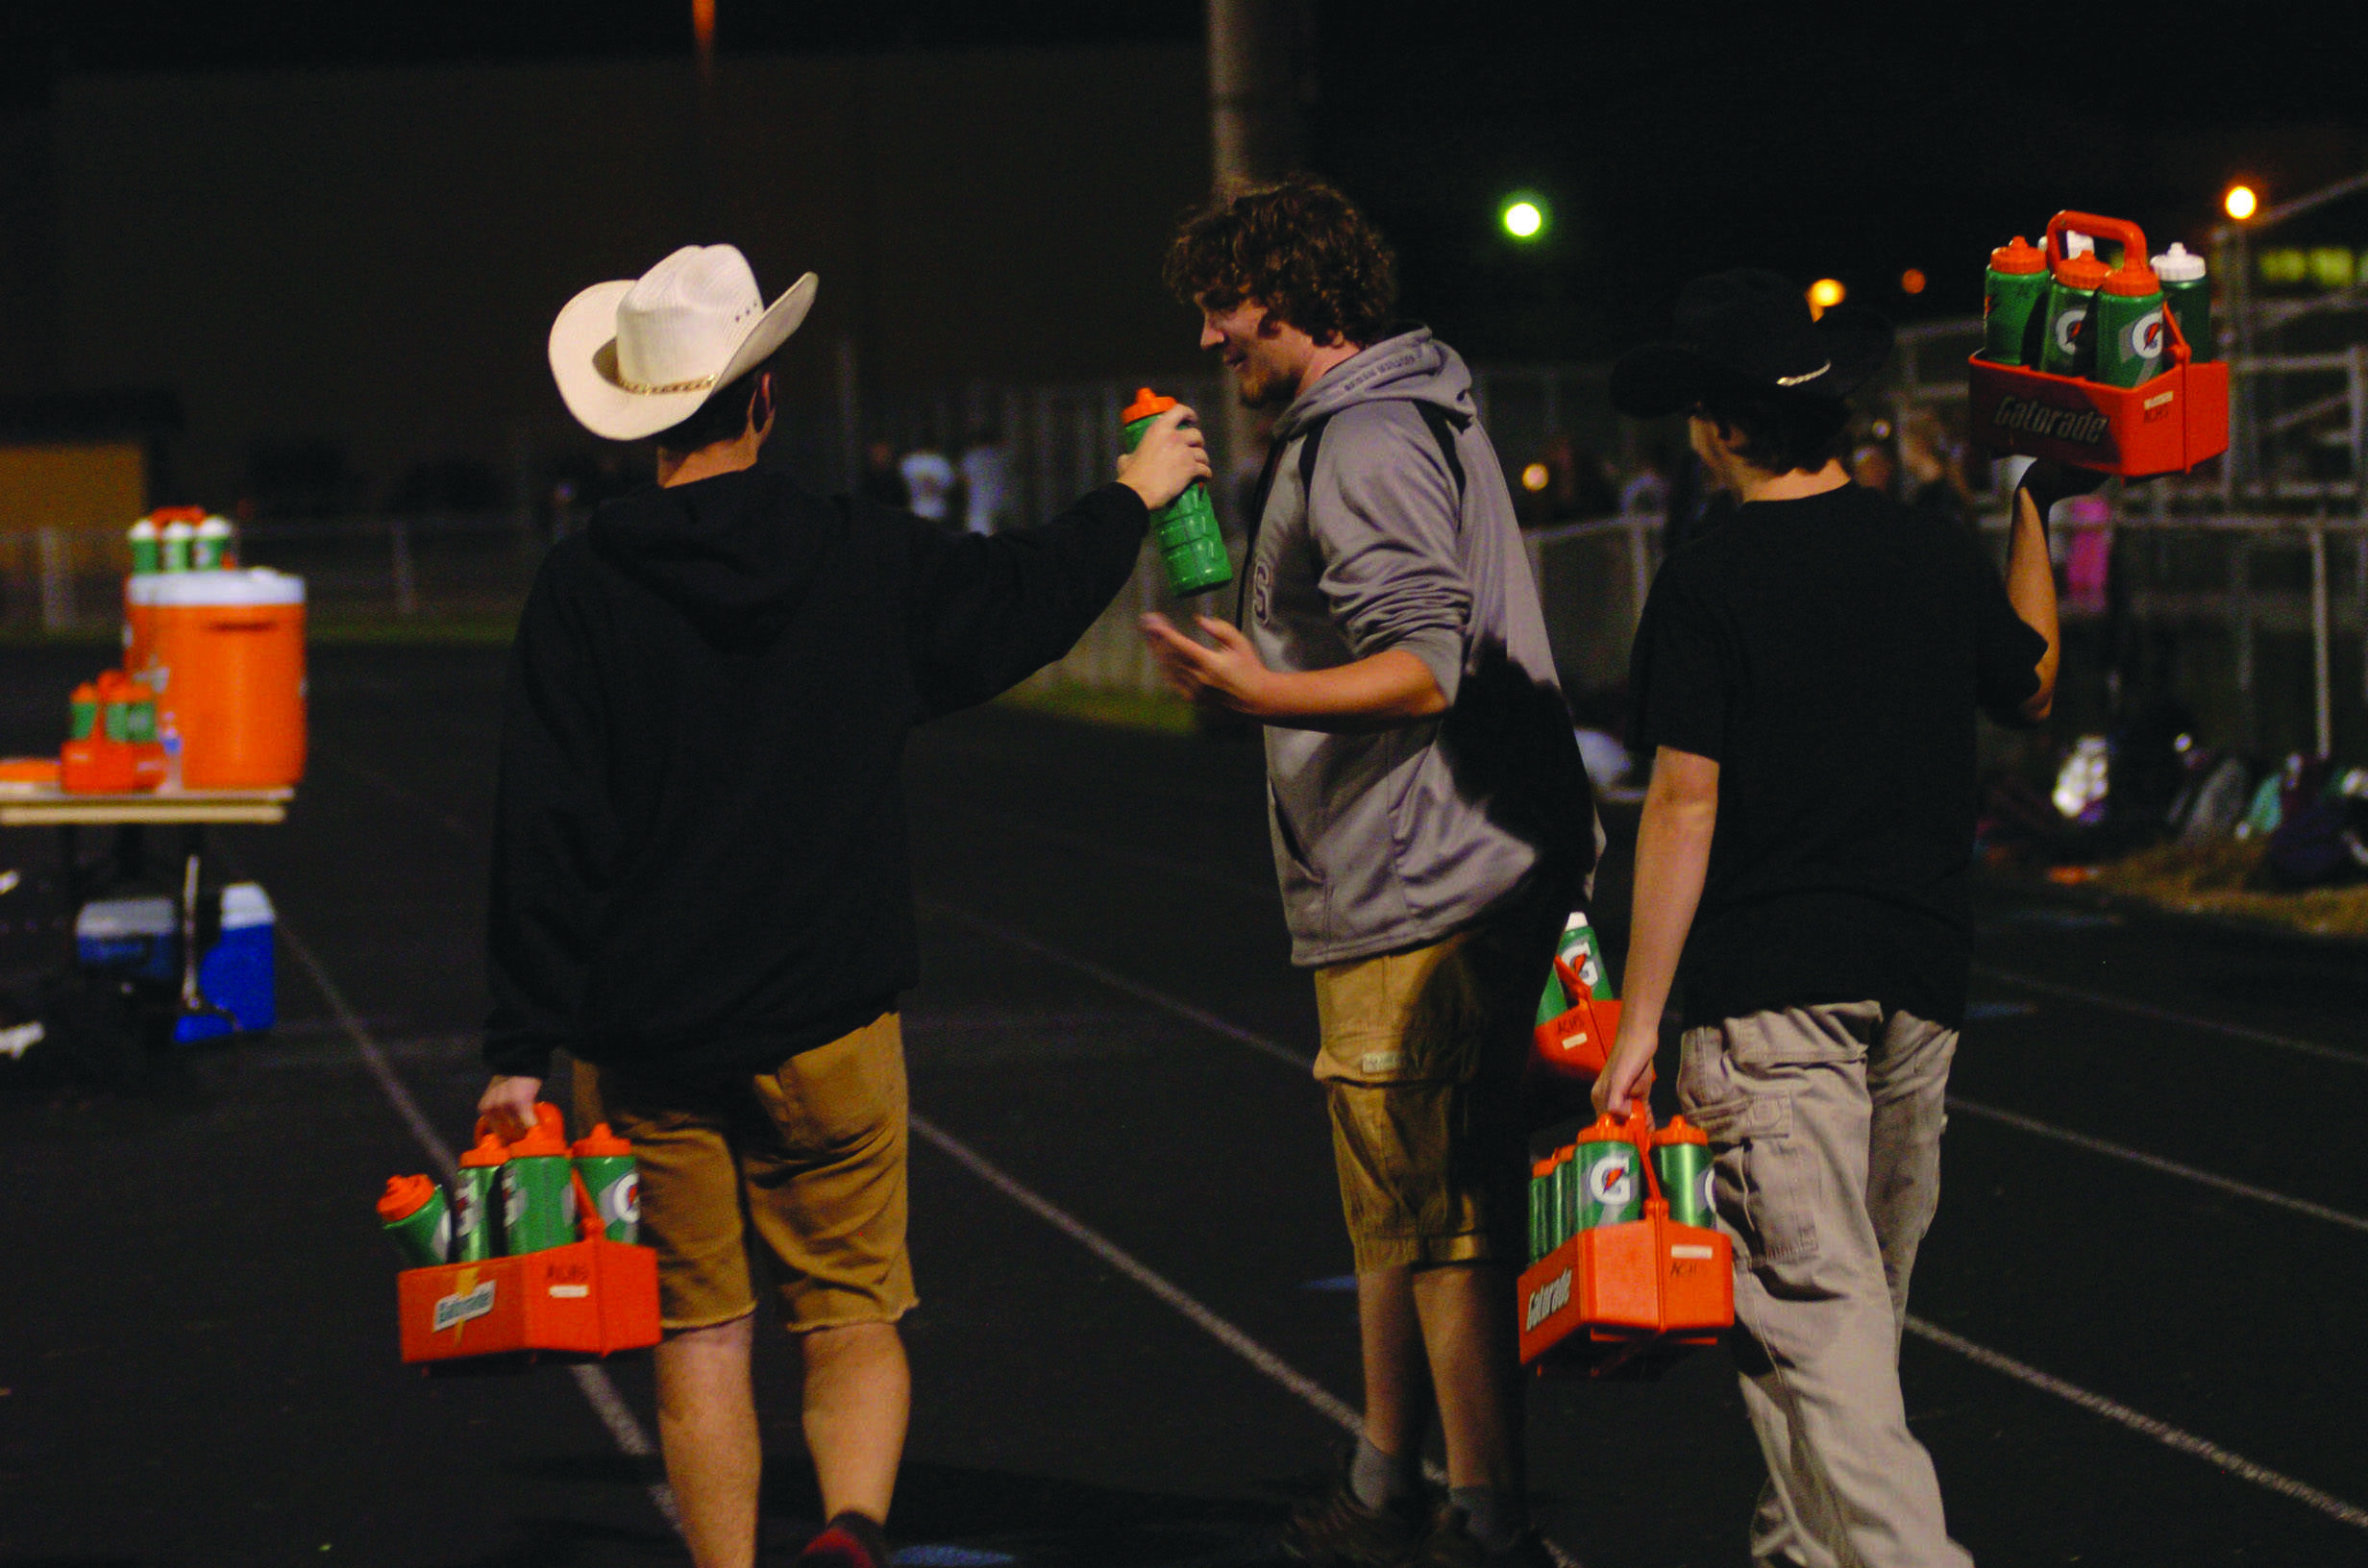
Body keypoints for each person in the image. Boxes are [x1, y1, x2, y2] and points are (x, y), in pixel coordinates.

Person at [480, 244, 1208, 1568]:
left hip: (643, 1037)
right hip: (828, 1018)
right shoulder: (854, 557)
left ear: (641, 420)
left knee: (700, 1331)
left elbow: (544, 830)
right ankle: (855, 1538)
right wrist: (1133, 497)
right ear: (761, 402)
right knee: (850, 1313)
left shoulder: (578, 591)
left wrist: (516, 1053)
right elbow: (1022, 602)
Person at [1143, 176, 1598, 1568]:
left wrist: (1260, 696)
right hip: (1431, 865)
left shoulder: (1366, 442)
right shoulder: (1395, 415)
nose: (1213, 339)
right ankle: (1390, 1476)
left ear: (1285, 292)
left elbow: (1423, 665)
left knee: (1445, 1215)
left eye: (1223, 309)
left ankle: (1484, 1517)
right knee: (1397, 1208)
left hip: (1422, 878)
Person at [1592, 269, 2070, 1568]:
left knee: (1823, 1336)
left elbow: (1682, 806)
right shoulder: (1927, 545)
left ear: (1723, 428)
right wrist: (2038, 501)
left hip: (1768, 1005)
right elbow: (2028, 688)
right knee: (1842, 1333)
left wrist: (1638, 1024)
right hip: (1921, 982)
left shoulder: (1705, 582)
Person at [957, 425, 1012, 535]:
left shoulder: (972, 457)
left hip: (979, 501)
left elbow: (964, 479)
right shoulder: (1003, 456)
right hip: (1003, 500)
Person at [897, 441, 955, 530]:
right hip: (917, 512)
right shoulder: (910, 461)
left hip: (936, 513)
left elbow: (949, 484)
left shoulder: (940, 462)